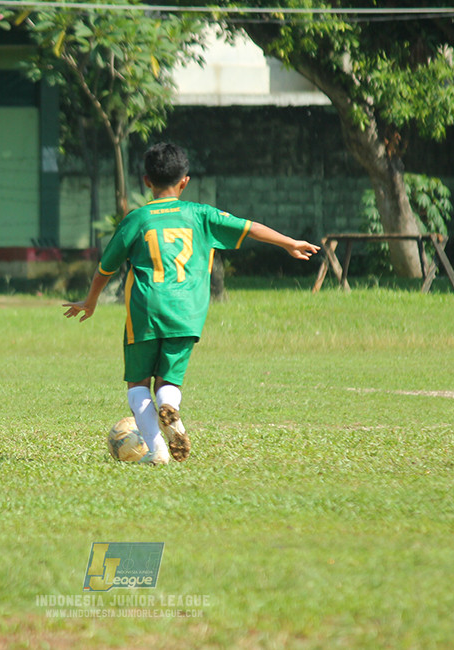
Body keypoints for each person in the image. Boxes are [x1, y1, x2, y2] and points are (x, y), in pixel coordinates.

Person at [64, 142, 320, 465]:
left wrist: (90, 302)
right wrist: (289, 243)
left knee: (137, 384)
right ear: (184, 181)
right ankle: (171, 409)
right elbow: (249, 228)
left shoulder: (137, 219)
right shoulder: (201, 215)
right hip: (187, 314)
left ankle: (157, 451)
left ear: (146, 182)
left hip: (145, 311)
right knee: (168, 381)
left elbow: (106, 268)